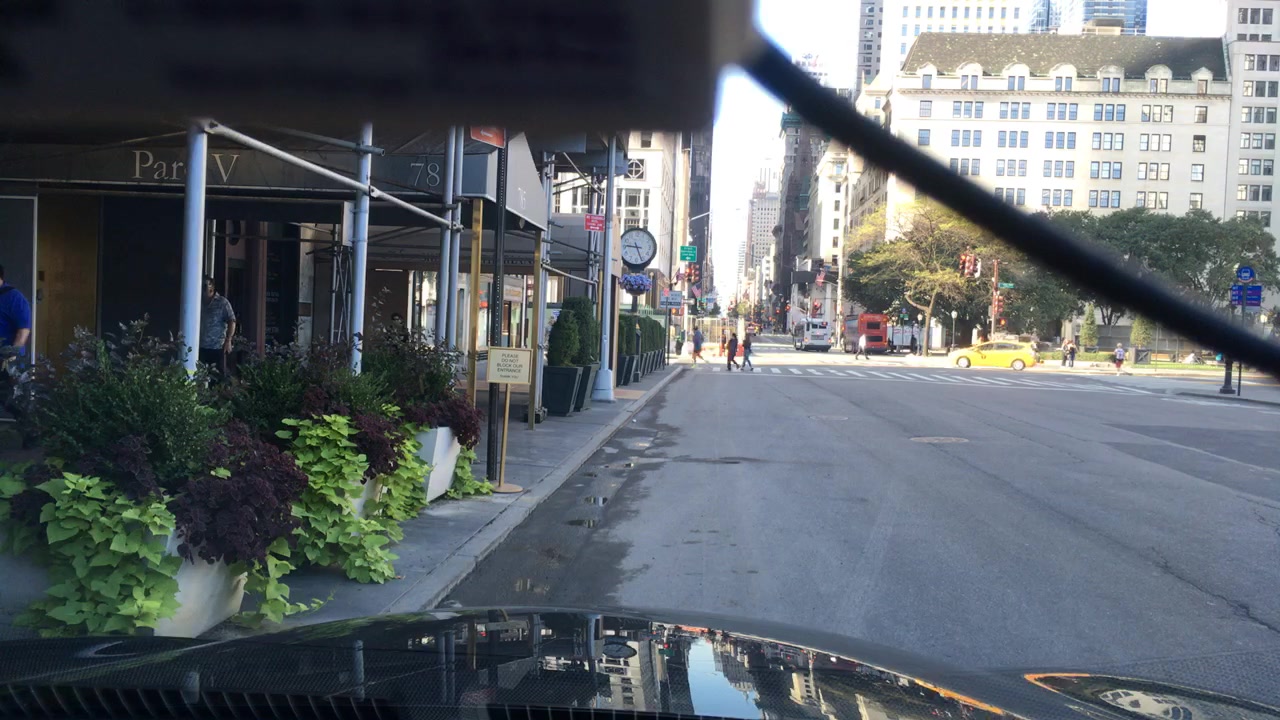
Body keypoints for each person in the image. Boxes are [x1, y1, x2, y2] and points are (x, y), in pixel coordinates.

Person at [0, 263, 33, 419]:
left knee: (12, 400)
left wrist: (11, 357)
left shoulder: (14, 297)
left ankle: (26, 427)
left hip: (7, 359)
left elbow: (23, 331)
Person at [199, 276, 237, 382]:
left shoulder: (222, 303)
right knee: (199, 377)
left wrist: (228, 340)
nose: (202, 289)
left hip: (216, 347)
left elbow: (232, 321)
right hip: (200, 346)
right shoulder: (197, 301)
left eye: (205, 286)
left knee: (216, 378)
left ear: (211, 288)